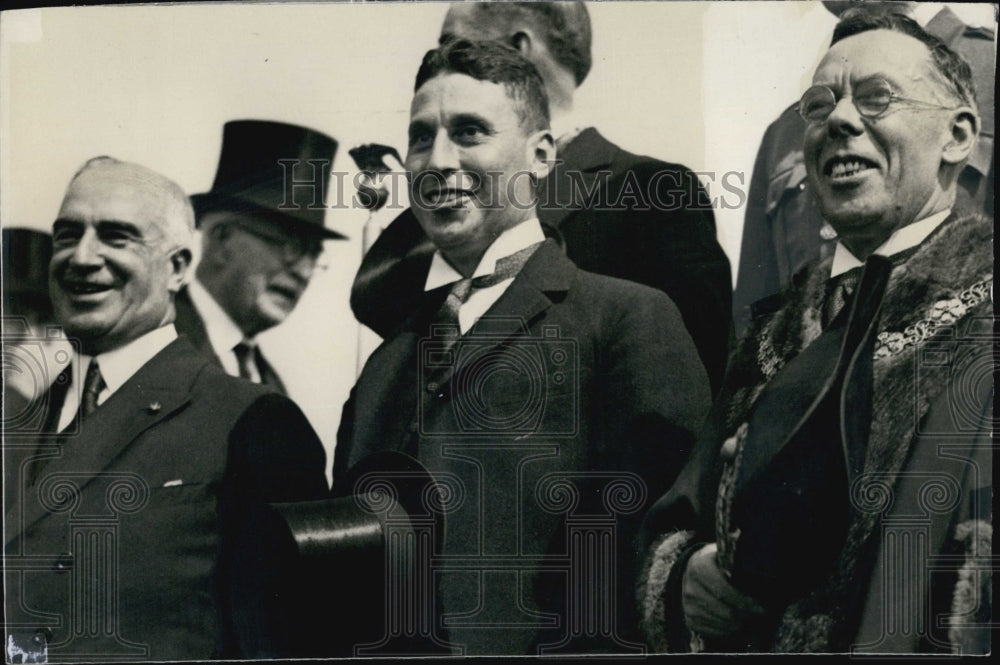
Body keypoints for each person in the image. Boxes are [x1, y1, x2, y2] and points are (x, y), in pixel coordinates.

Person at [334, 39, 711, 656]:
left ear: (541, 155)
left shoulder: (625, 319)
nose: (437, 160)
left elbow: (659, 553)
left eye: (470, 132)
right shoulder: (386, 362)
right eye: (421, 137)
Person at [637, 10, 991, 654]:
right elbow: (679, 516)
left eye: (878, 97)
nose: (840, 120)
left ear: (958, 135)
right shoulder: (772, 336)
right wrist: (687, 578)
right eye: (820, 105)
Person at [2, 157, 329, 661]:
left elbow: (287, 639)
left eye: (116, 237)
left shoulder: (255, 421)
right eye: (67, 235)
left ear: (177, 267)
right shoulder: (19, 418)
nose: (81, 257)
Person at [350, 1, 732, 395]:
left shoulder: (652, 190)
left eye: (453, 43)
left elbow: (696, 372)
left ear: (518, 47)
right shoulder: (443, 180)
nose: (440, 61)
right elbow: (371, 295)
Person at [732, 1, 995, 337]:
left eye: (878, 97)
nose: (840, 119)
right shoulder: (786, 129)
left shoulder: (990, 65)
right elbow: (754, 317)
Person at [176, 119, 344, 394]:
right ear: (221, 239)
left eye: (314, 254)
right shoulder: (152, 341)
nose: (303, 271)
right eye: (292, 248)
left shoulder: (273, 388)